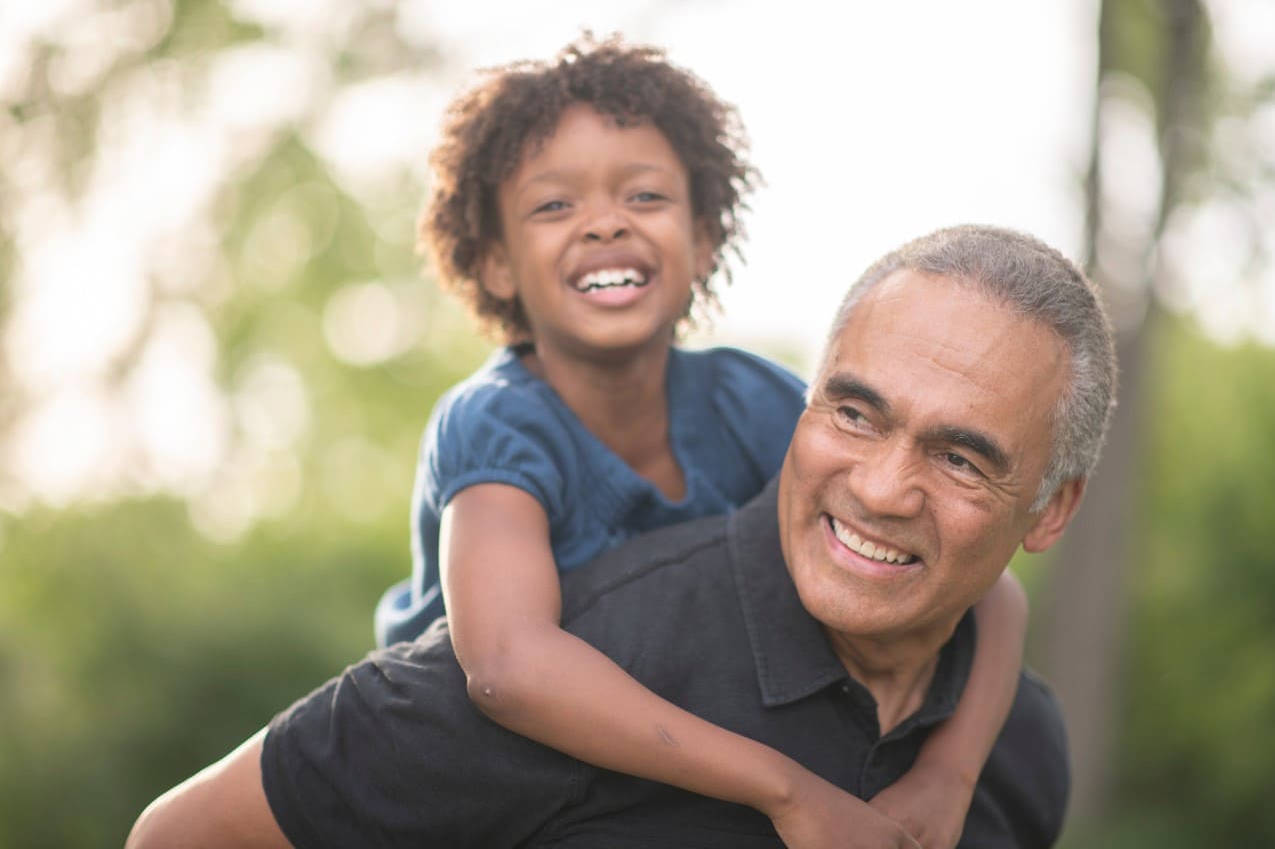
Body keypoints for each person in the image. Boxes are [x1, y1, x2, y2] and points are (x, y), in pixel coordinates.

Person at [125, 223, 1117, 848]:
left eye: (960, 460)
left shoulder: (1020, 749)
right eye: (855, 415)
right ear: (803, 408)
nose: (885, 488)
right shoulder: (584, 655)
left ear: (1054, 509)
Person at [367, 33, 1028, 847]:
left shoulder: (748, 399)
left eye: (644, 197)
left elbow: (992, 591)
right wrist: (787, 790)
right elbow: (508, 671)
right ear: (497, 263)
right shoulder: (497, 422)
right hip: (468, 774)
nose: (605, 223)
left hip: (660, 758)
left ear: (704, 239)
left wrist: (947, 775)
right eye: (554, 205)